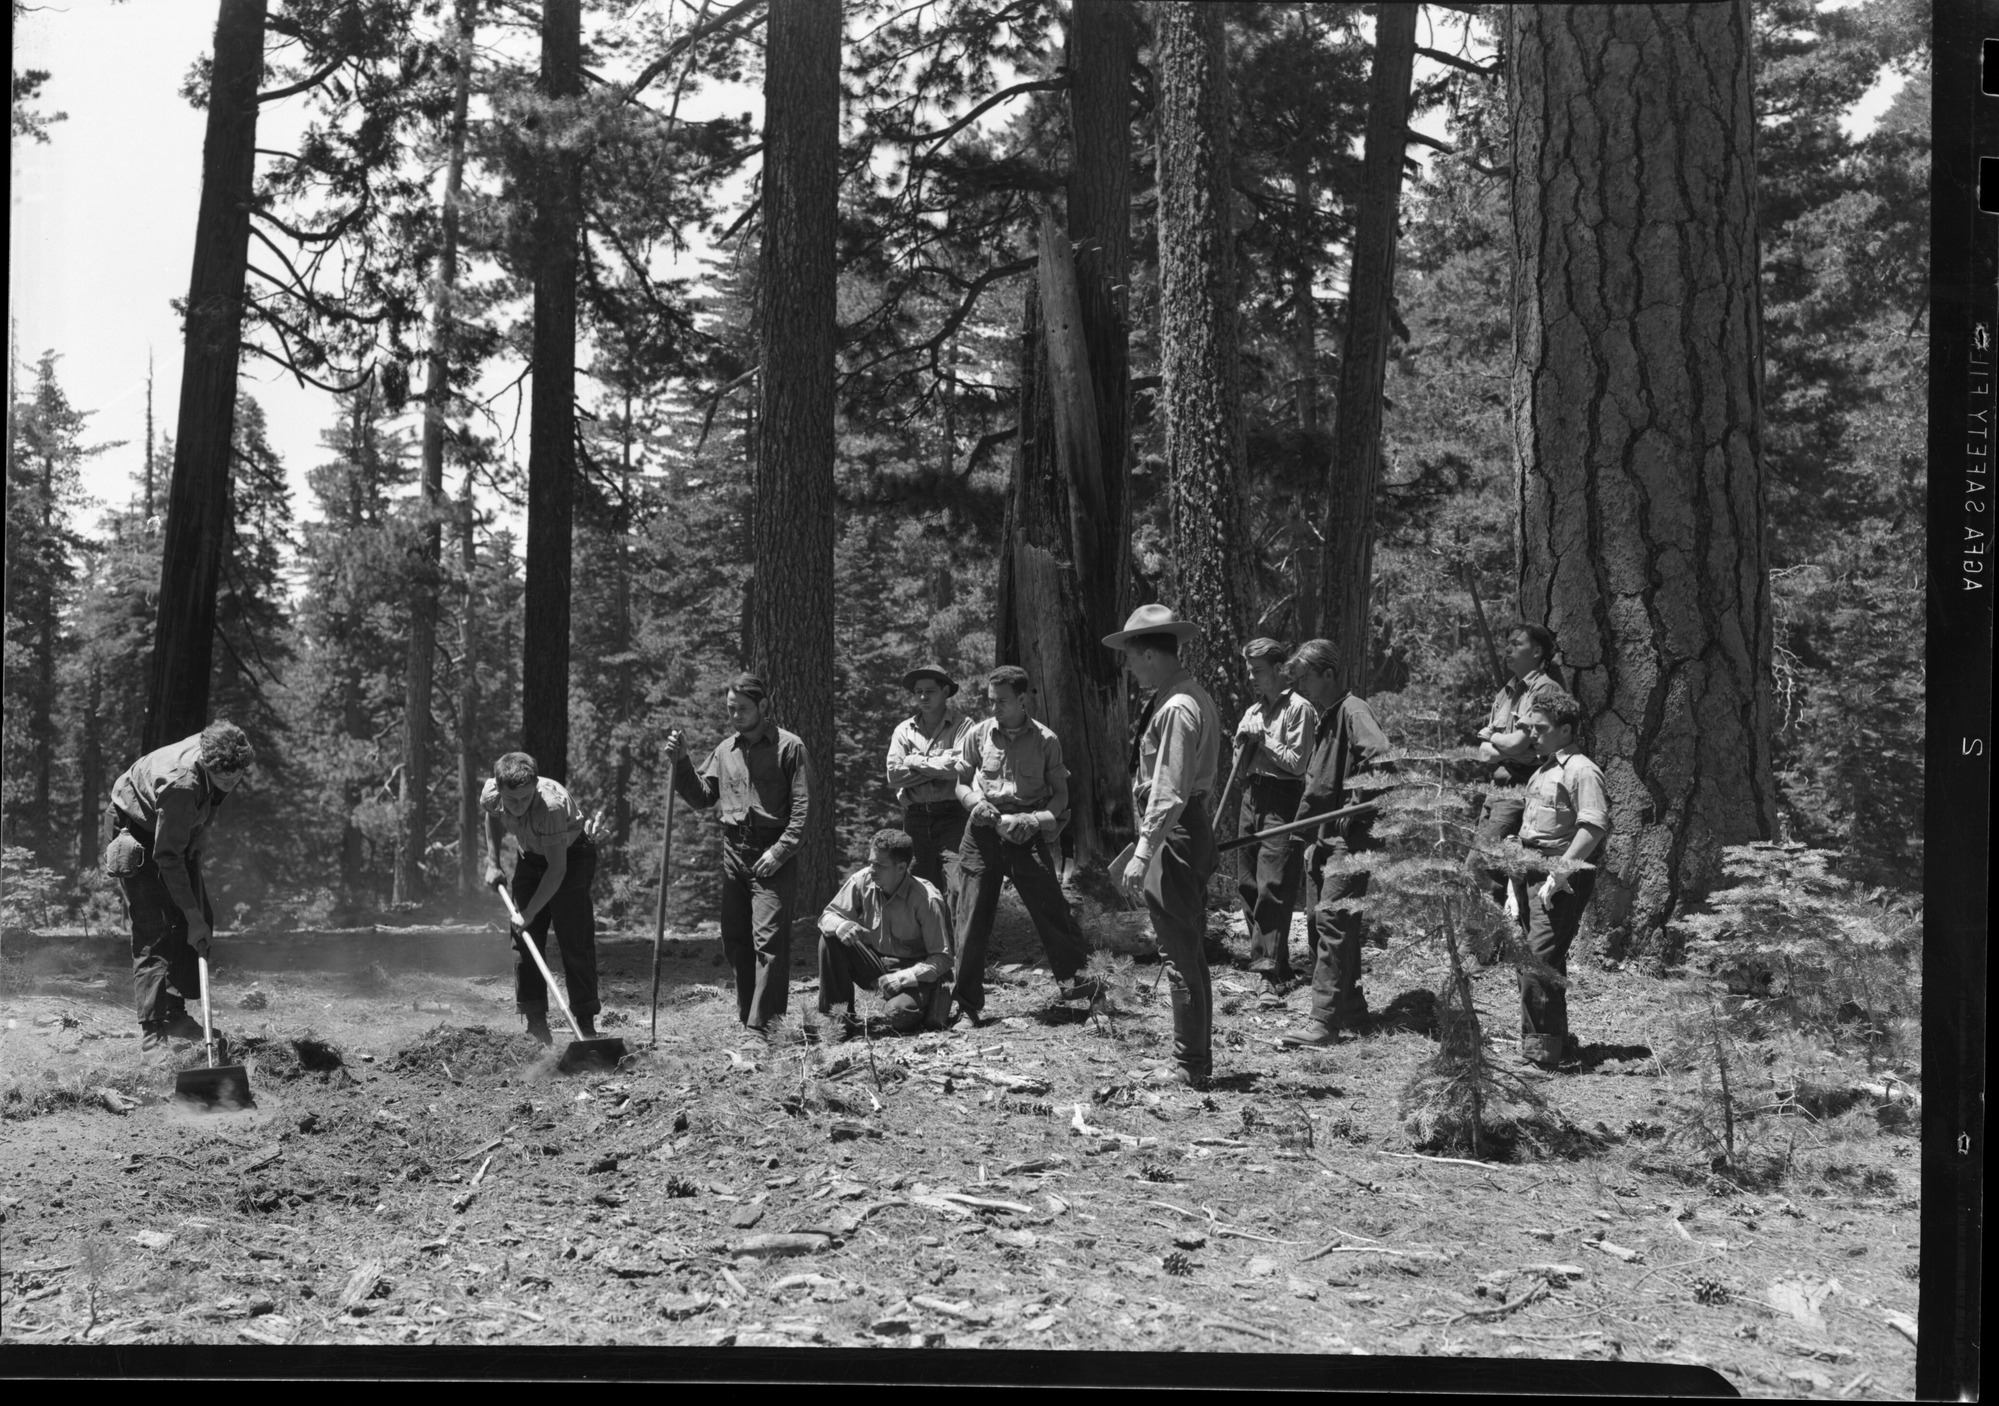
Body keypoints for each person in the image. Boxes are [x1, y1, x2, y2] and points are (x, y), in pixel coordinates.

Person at [1106, 604, 1222, 1088]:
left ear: (1150, 654)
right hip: (1183, 829)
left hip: (1174, 833)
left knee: (1179, 952)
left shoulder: (1176, 707)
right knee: (1188, 948)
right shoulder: (1187, 696)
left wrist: (1143, 849)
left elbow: (1169, 789)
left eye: (1132, 659)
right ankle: (1192, 1056)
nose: (1130, 670)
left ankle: (1189, 1063)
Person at [665, 673, 813, 1042]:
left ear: (763, 706)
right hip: (734, 851)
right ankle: (750, 1017)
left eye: (743, 709)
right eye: (730, 709)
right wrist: (682, 761)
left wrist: (780, 852)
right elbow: (702, 797)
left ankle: (764, 1028)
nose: (735, 716)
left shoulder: (789, 748)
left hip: (771, 851)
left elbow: (803, 810)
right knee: (736, 939)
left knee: (769, 942)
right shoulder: (725, 750)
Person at [951, 665, 1099, 1022]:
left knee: (1052, 912)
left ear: (1022, 699)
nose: (994, 708)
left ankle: (1083, 993)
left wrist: (1033, 821)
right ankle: (965, 1003)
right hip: (982, 832)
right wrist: (974, 803)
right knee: (969, 914)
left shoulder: (1046, 739)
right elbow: (961, 783)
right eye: (991, 701)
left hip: (1026, 831)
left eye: (1001, 701)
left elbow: (1061, 796)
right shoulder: (978, 735)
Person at [103, 721, 256, 1057]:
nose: (231, 783)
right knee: (155, 929)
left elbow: (211, 800)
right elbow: (167, 856)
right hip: (136, 827)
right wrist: (190, 914)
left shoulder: (223, 754)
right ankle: (152, 1034)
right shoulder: (183, 785)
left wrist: (198, 843)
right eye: (224, 778)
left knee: (197, 919)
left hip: (173, 826)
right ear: (206, 765)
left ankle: (174, 1015)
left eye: (237, 777)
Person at [1276, 639, 1394, 1048]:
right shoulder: (1328, 715)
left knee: (1331, 921)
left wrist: (1353, 810)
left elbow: (1380, 760)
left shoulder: (1354, 710)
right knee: (1324, 922)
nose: (1301, 686)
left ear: (1328, 674)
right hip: (1325, 838)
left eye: (1306, 677)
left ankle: (1324, 1023)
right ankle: (1352, 1010)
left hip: (1350, 839)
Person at [1511, 690, 1611, 1070]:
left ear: (1565, 729)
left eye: (1541, 728)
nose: (1532, 735)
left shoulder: (1582, 770)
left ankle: (1540, 1056)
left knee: (1539, 961)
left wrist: (1560, 873)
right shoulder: (1543, 769)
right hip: (1529, 873)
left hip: (1560, 879)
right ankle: (1552, 1043)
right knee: (1536, 961)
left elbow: (1593, 827)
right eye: (1531, 727)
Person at [481, 751, 601, 1045]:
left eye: (525, 799)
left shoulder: (550, 806)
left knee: (574, 937)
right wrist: (494, 862)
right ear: (500, 789)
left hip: (570, 859)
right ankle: (536, 1026)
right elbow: (492, 817)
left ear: (535, 785)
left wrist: (531, 911)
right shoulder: (493, 793)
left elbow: (557, 870)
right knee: (523, 938)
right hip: (531, 857)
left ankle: (584, 1023)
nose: (518, 806)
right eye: (512, 800)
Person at [1231, 637, 1316, 987]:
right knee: (1247, 883)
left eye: (1258, 671)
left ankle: (1267, 971)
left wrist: (1262, 736)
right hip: (1251, 797)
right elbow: (1239, 771)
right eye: (1249, 670)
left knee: (1273, 886)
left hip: (1283, 799)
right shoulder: (1252, 711)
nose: (1251, 677)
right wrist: (1241, 743)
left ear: (1281, 670)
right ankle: (1275, 967)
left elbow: (1297, 765)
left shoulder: (1299, 709)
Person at [818, 829, 954, 1038]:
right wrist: (840, 925)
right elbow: (827, 916)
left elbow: (943, 958)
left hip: (914, 973)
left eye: (879, 865)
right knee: (830, 939)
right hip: (877, 964)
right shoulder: (862, 880)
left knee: (896, 1014)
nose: (871, 869)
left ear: (901, 868)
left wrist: (904, 977)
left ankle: (929, 1000)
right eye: (871, 862)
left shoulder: (926, 899)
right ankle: (839, 1023)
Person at [1473, 625, 1566, 916]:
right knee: (1496, 868)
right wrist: (1504, 744)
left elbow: (1517, 742)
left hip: (1521, 786)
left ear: (1537, 652)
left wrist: (1497, 740)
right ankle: (1499, 944)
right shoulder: (1506, 691)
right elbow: (1484, 752)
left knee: (1482, 866)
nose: (1507, 649)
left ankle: (1476, 953)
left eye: (1516, 644)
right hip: (1496, 785)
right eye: (1506, 644)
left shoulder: (1545, 689)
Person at [884, 664, 973, 913]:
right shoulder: (903, 730)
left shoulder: (964, 726)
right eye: (918, 692)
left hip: (954, 816)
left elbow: (958, 769)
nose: (923, 697)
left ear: (945, 691)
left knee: (958, 887)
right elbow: (894, 775)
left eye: (930, 691)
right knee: (918, 889)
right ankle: (926, 951)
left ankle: (959, 951)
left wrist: (913, 760)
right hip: (915, 819)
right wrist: (939, 766)